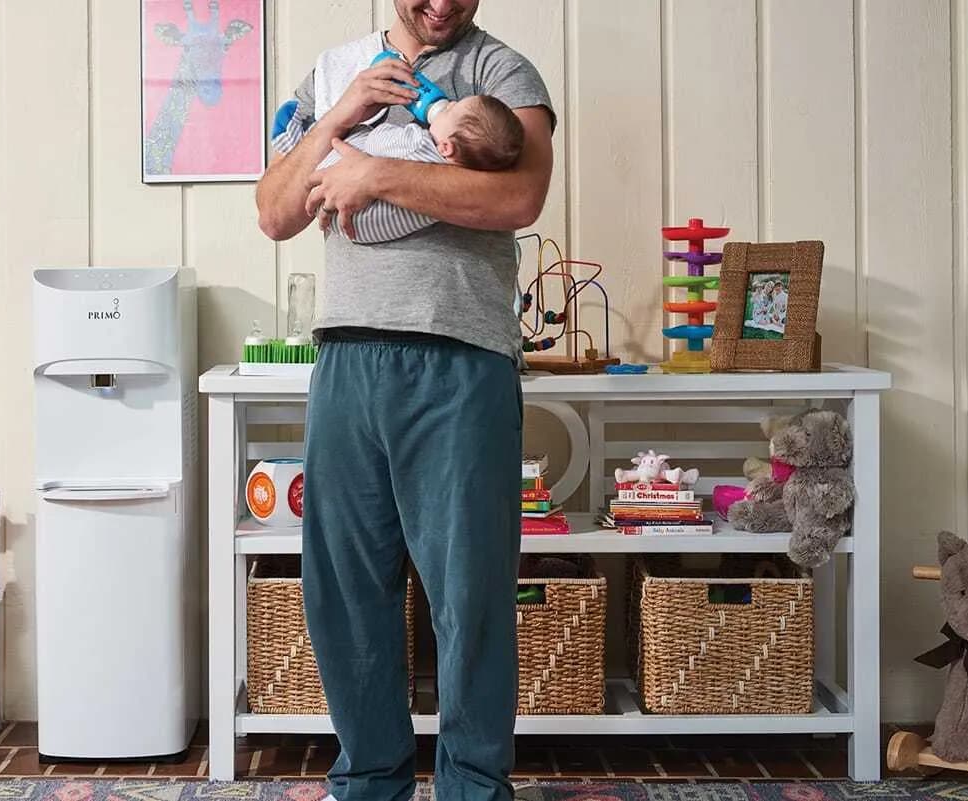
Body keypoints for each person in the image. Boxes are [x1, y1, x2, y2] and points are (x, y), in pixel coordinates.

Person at [255, 2, 555, 801]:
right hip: (347, 355)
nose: (443, 5)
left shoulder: (502, 72)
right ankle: (368, 781)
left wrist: (375, 176)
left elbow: (519, 198)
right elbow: (276, 212)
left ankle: (473, 787)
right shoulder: (332, 72)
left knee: (470, 594)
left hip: (460, 356)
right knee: (346, 591)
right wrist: (340, 115)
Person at [273, 92, 525, 243]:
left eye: (451, 109)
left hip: (339, 205)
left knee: (362, 135)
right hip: (358, 229)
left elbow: (378, 140)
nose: (448, 102)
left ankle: (292, 139)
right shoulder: (455, 188)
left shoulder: (418, 143)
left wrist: (379, 128)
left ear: (447, 147)